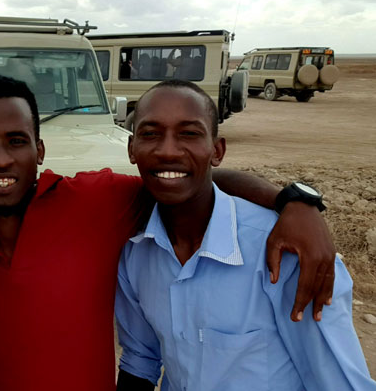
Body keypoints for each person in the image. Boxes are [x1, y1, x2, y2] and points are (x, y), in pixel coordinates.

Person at [0, 75, 335, 391]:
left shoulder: (95, 202)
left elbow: (191, 178)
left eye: (17, 141)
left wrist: (296, 201)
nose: (1, 159)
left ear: (39, 152)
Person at [115, 80, 376, 390]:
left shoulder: (286, 253)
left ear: (217, 150)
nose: (168, 150)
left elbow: (339, 382)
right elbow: (140, 359)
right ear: (132, 149)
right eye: (150, 133)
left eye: (189, 133)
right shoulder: (136, 253)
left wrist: (299, 202)